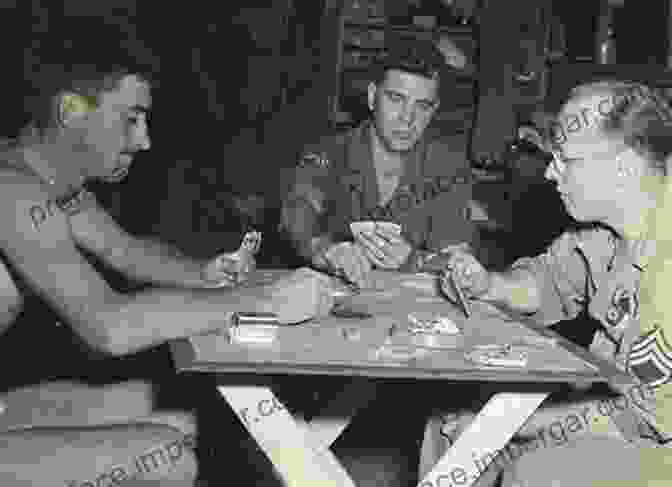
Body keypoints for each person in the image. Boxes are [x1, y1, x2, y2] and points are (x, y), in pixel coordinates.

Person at [0, 48, 334, 486]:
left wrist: (206, 274)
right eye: (131, 119)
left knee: (191, 412)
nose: (144, 140)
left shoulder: (48, 182)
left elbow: (128, 252)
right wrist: (264, 300)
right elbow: (109, 327)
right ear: (70, 111)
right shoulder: (13, 191)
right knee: (168, 457)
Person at [428, 80, 672, 486]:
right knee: (448, 420)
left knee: (538, 471)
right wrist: (489, 285)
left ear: (624, 167)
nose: (550, 171)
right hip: (619, 402)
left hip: (657, 437)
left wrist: (505, 426)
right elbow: (548, 281)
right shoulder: (611, 229)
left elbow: (639, 418)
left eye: (566, 159)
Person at [280, 37, 477, 288]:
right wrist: (326, 251)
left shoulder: (448, 167)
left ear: (435, 109)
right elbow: (297, 213)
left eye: (422, 106)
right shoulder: (329, 153)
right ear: (373, 97)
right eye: (396, 99)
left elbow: (458, 261)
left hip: (412, 312)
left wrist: (414, 260)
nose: (408, 119)